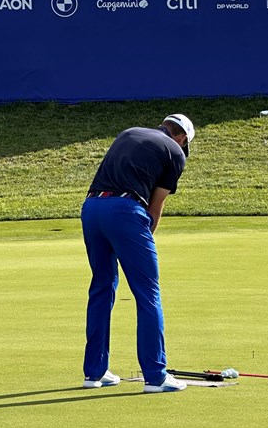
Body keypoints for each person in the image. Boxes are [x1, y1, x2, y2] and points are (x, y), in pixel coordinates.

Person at [80, 114, 195, 393]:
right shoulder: (176, 152)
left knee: (102, 287)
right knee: (147, 293)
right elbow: (155, 207)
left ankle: (94, 373)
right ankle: (156, 376)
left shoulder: (129, 131)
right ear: (181, 138)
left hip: (92, 208)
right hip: (126, 212)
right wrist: (141, 242)